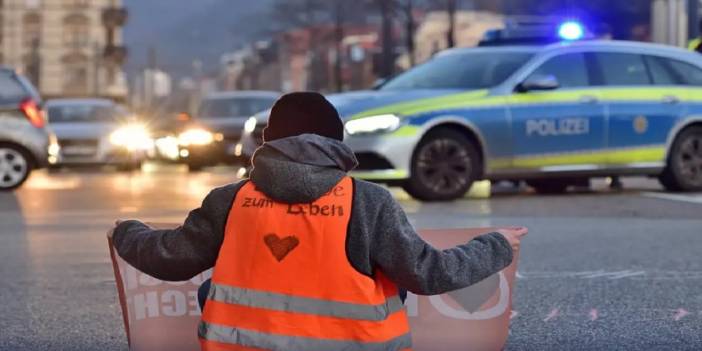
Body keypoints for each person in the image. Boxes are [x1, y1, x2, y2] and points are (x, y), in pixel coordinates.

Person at [109, 92, 526, 351]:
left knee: (210, 290)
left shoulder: (230, 200)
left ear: (268, 142)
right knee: (389, 277)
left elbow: (169, 258)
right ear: (336, 143)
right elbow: (427, 273)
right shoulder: (368, 201)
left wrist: (126, 232)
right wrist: (497, 245)